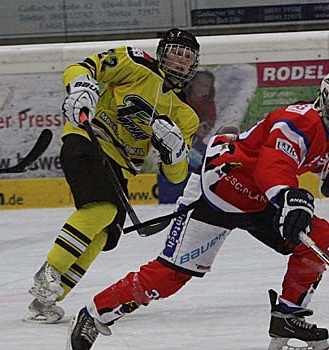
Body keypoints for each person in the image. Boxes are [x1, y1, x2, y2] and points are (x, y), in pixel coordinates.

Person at [65, 67, 329, 350]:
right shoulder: (297, 122)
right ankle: (95, 312)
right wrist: (289, 196)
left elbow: (317, 159)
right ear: (326, 100)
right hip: (217, 191)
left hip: (258, 201)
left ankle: (288, 317)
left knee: (319, 237)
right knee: (169, 277)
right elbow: (273, 165)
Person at [26, 29, 201, 323]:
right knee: (102, 208)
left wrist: (174, 152)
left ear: (194, 64)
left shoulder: (186, 115)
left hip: (120, 167)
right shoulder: (134, 62)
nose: (180, 60)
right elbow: (82, 67)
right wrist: (81, 88)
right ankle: (48, 273)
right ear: (161, 53)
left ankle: (47, 301)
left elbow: (176, 176)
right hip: (88, 139)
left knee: (105, 233)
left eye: (187, 56)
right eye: (175, 52)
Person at [184, 69, 217, 174]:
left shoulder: (208, 103)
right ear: (191, 83)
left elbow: (210, 120)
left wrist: (205, 127)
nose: (202, 88)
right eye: (199, 83)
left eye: (206, 86)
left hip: (195, 141)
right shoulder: (182, 98)